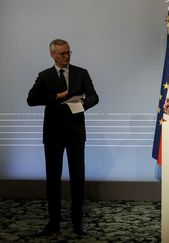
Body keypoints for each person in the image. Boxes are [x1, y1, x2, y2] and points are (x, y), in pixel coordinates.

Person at [27, 39, 99, 236]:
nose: (66, 56)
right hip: (53, 134)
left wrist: (82, 103)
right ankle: (54, 223)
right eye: (62, 54)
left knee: (77, 178)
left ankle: (77, 223)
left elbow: (94, 96)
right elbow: (31, 99)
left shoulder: (81, 72)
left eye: (68, 53)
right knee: (53, 179)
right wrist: (57, 97)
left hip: (76, 132)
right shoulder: (45, 75)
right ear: (52, 55)